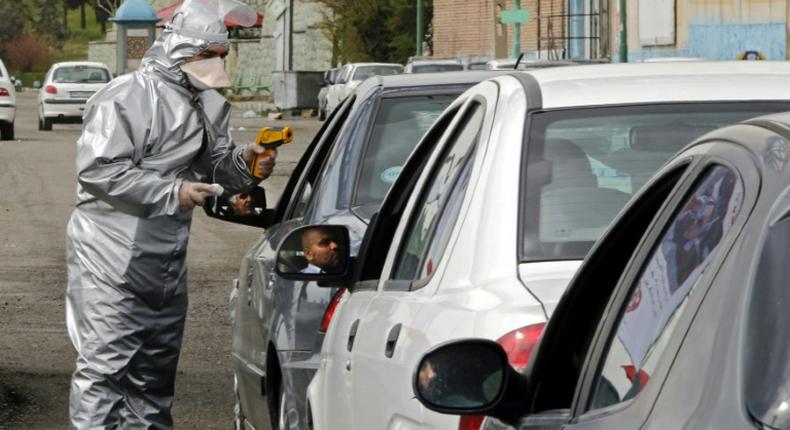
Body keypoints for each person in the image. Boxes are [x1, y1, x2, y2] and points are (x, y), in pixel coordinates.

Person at [64, 1, 274, 428]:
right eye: (209, 55)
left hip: (164, 262)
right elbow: (99, 170)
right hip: (110, 255)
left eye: (222, 54)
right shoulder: (126, 96)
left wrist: (246, 165)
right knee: (105, 370)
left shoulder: (208, 104)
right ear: (182, 51)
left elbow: (214, 168)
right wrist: (173, 190)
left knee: (153, 375)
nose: (217, 64)